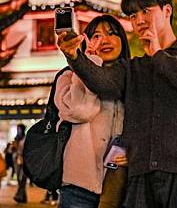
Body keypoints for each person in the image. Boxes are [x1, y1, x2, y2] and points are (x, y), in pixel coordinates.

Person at [57, 0, 177, 207]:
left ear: (167, 11)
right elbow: (102, 81)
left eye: (146, 11)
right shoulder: (133, 68)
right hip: (142, 177)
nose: (139, 19)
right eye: (133, 15)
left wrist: (158, 55)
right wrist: (74, 56)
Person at [54, 14, 129, 208]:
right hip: (79, 186)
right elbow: (81, 111)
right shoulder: (67, 77)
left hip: (118, 183)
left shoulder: (132, 80)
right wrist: (89, 62)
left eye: (112, 34)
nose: (104, 40)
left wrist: (133, 153)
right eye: (96, 36)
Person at [12, 124, 28, 204]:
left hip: (25, 160)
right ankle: (23, 198)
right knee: (19, 179)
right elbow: (13, 149)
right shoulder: (16, 139)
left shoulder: (26, 138)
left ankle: (18, 196)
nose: (18, 131)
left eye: (19, 129)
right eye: (17, 129)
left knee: (23, 179)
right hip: (16, 160)